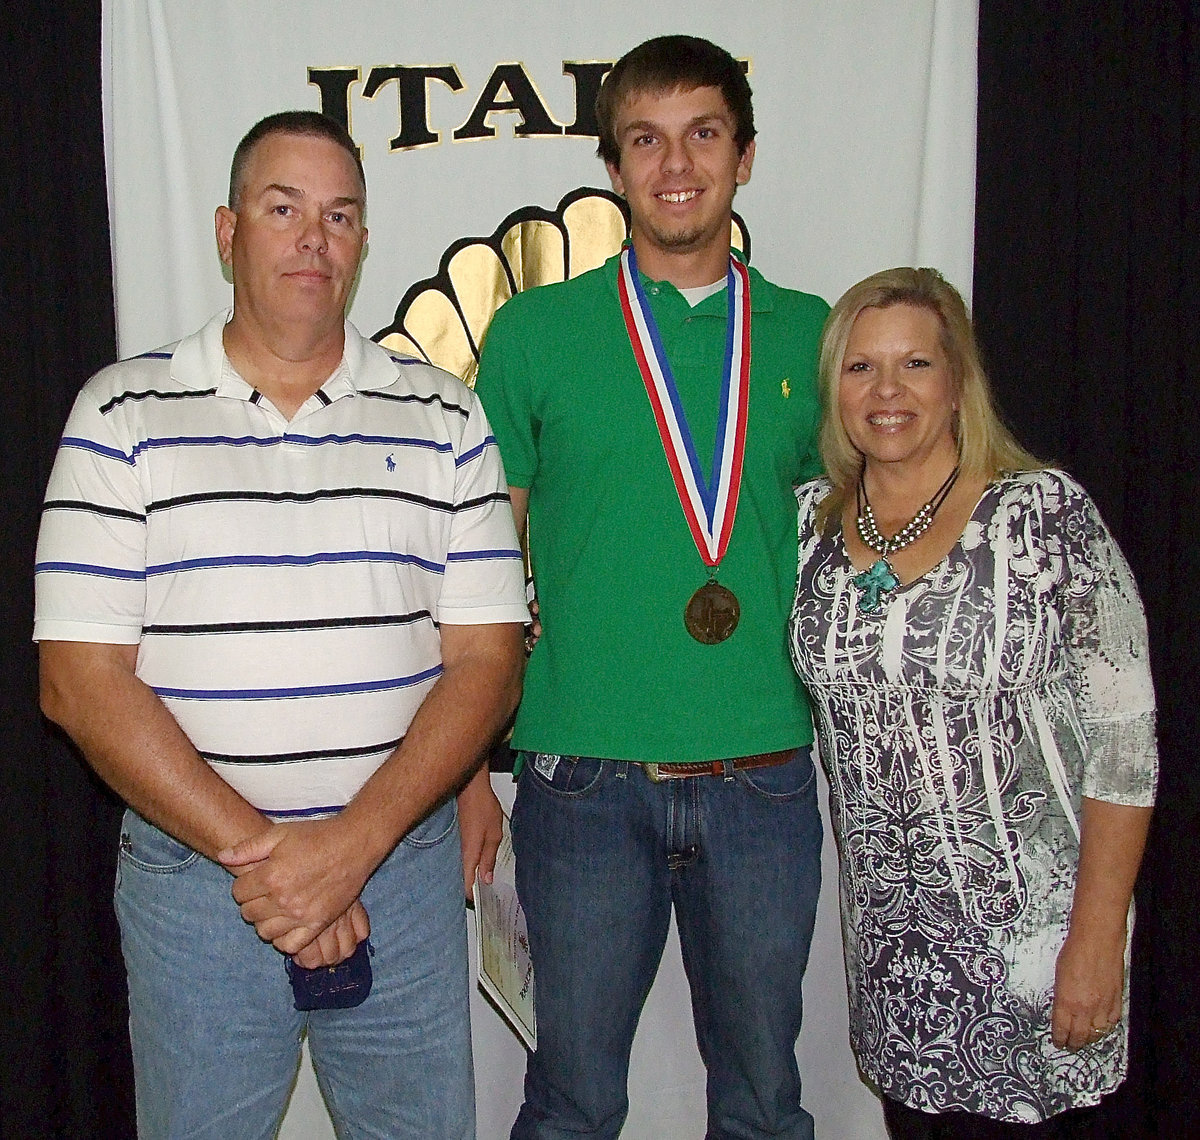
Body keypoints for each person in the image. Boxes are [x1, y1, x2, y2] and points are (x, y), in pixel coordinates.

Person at [34, 110, 528, 1139]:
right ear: (227, 233)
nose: (315, 236)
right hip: (197, 888)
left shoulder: (445, 415)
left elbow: (487, 663)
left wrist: (354, 846)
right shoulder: (121, 414)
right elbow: (77, 683)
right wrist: (276, 860)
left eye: (340, 214)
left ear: (361, 239)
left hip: (398, 874)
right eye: (283, 208)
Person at [474, 34, 828, 1140]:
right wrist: (462, 767)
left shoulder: (822, 339)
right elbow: (479, 572)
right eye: (646, 138)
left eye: (703, 133)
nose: (677, 164)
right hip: (582, 778)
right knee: (573, 1099)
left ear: (747, 154)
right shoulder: (535, 333)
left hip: (764, 773)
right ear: (614, 165)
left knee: (766, 1098)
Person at [788, 267, 1157, 1138]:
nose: (887, 392)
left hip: (1038, 962)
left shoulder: (1045, 517)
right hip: (895, 967)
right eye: (860, 367)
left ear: (958, 385)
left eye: (915, 364)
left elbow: (1125, 746)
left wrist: (1097, 942)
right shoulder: (810, 525)